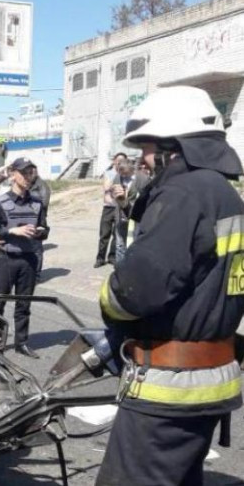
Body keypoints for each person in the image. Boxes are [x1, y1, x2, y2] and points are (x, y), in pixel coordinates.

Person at [96, 86, 244, 486]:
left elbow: (134, 291)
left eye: (146, 148)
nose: (142, 159)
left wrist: (107, 302)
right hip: (212, 379)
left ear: (172, 146)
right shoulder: (224, 195)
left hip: (168, 388)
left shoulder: (183, 193)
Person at [0, 157, 49, 359]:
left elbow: (45, 229)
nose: (29, 177)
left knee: (24, 305)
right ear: (13, 174)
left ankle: (22, 343)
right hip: (5, 259)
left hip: (28, 260)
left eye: (31, 173)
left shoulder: (37, 203)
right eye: (24, 173)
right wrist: (13, 231)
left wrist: (40, 232)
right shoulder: (0, 202)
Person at [94, 152, 128, 268]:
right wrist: (118, 176)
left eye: (123, 160)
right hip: (108, 207)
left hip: (119, 207)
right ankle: (100, 258)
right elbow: (107, 187)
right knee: (104, 234)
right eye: (118, 160)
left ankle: (112, 257)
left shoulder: (126, 174)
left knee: (117, 234)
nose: (120, 162)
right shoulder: (109, 173)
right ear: (114, 161)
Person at [29, 166, 51, 280]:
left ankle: (37, 273)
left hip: (39, 220)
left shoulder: (42, 185)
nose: (28, 175)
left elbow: (44, 203)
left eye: (30, 173)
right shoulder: (28, 184)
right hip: (27, 220)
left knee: (37, 248)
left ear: (35, 173)